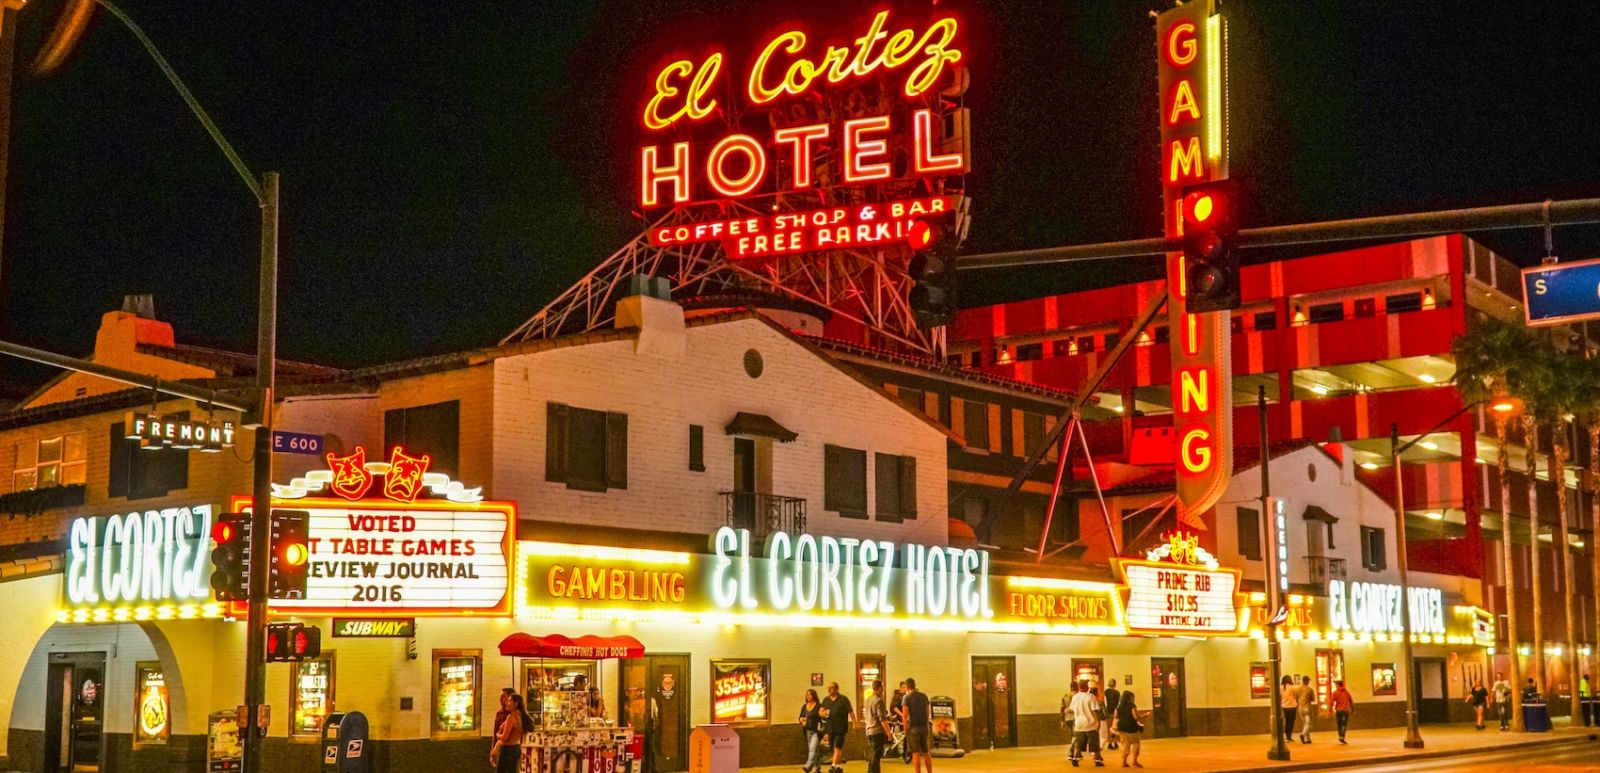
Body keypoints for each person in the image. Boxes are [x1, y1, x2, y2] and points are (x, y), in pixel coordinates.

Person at [490, 692, 533, 773]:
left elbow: (505, 737)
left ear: (516, 703)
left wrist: (497, 735)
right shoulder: (521, 716)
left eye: (509, 701)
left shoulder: (511, 717)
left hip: (507, 750)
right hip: (516, 748)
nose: (507, 703)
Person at [820, 681, 855, 773]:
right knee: (832, 747)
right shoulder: (826, 700)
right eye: (828, 688)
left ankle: (833, 765)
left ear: (836, 689)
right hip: (830, 727)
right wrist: (824, 713)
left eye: (831, 688)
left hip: (841, 727)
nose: (829, 690)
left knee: (837, 747)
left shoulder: (843, 699)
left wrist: (854, 723)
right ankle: (839, 766)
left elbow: (851, 711)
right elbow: (820, 712)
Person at [1068, 679, 1104, 767]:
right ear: (1086, 686)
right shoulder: (1091, 697)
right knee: (1094, 743)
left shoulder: (1075, 697)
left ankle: (1075, 758)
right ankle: (1097, 759)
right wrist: (1098, 722)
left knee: (1078, 743)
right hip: (1090, 724)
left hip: (1079, 724)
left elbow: (1071, 710)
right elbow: (1095, 710)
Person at [901, 677, 933, 773]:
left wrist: (905, 728)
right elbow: (928, 711)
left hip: (913, 727)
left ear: (907, 687)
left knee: (915, 753)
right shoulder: (924, 696)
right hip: (924, 727)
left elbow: (905, 715)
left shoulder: (907, 697)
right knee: (926, 752)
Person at [1114, 687, 1145, 768]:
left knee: (1126, 744)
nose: (1133, 699)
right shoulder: (1132, 705)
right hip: (1131, 727)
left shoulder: (1119, 706)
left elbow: (1115, 716)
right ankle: (1134, 762)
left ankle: (1123, 762)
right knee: (1136, 743)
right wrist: (1143, 716)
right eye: (1132, 697)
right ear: (1130, 698)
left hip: (1121, 727)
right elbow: (1135, 717)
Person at [864, 679, 891, 773]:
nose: (883, 690)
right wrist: (888, 732)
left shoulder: (867, 700)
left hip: (869, 730)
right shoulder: (879, 701)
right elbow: (882, 719)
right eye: (882, 688)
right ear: (879, 688)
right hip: (877, 731)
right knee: (876, 756)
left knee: (873, 753)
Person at [799, 689, 824, 773]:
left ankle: (808, 766)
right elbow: (800, 716)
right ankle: (817, 767)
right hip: (807, 731)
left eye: (810, 694)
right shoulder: (804, 706)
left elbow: (823, 717)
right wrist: (801, 719)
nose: (808, 696)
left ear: (814, 695)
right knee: (815, 750)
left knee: (812, 748)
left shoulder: (819, 706)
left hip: (816, 731)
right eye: (807, 695)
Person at [1293, 675, 1317, 744]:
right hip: (1306, 707)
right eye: (1308, 680)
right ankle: (1302, 734)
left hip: (1300, 707)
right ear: (1306, 681)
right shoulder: (1309, 689)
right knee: (1308, 724)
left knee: (1304, 723)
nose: (1309, 682)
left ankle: (1308, 739)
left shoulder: (1297, 689)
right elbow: (1313, 699)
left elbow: (1296, 699)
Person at [1330, 680, 1354, 744]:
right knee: (1344, 724)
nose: (1335, 685)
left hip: (1339, 711)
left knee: (1339, 724)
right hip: (1346, 711)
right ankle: (1342, 737)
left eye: (1336, 684)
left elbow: (1332, 701)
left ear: (1338, 685)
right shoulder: (1347, 692)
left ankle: (1340, 736)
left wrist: (1330, 709)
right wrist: (1353, 709)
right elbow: (1351, 701)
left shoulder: (1335, 692)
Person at [1102, 679, 1121, 751]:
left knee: (1109, 728)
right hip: (1115, 712)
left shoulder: (1106, 692)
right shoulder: (1117, 693)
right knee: (1115, 727)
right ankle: (1114, 742)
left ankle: (1110, 742)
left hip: (1109, 712)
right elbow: (1119, 703)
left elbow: (1104, 702)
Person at [1278, 675, 1298, 743]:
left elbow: (1280, 696)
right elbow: (1296, 696)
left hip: (1284, 706)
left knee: (1287, 722)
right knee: (1291, 722)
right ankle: (1289, 736)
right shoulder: (1292, 688)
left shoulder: (1281, 688)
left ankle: (1287, 736)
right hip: (1292, 706)